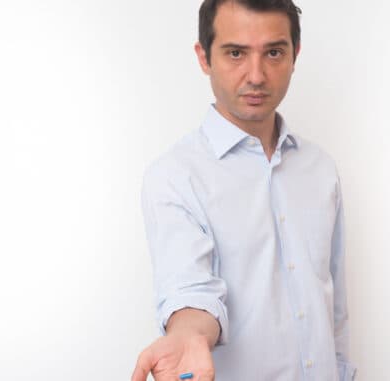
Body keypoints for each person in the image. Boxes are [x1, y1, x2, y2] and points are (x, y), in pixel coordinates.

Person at [132, 1, 356, 380]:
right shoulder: (174, 177)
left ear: (294, 55)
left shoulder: (320, 169)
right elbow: (189, 290)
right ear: (204, 57)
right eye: (236, 53)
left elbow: (333, 308)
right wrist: (187, 334)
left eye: (273, 52)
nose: (257, 75)